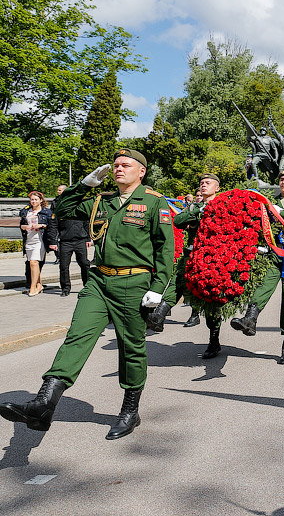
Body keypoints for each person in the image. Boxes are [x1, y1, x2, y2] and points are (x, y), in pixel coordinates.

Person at [0, 149, 174, 439]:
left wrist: (158, 290)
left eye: (125, 165)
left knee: (131, 348)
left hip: (134, 284)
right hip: (98, 281)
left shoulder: (154, 202)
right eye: (116, 165)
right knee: (77, 336)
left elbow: (165, 249)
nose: (118, 169)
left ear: (141, 171)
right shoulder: (100, 202)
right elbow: (62, 211)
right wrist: (84, 185)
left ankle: (130, 410)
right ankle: (44, 404)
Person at [230, 169, 284, 365]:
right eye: (281, 179)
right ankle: (250, 320)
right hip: (273, 256)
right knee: (263, 287)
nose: (283, 182)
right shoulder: (269, 202)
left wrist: (281, 212)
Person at [163, 173, 221, 336]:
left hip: (213, 258)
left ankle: (214, 338)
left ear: (216, 188)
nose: (203, 185)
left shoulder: (222, 205)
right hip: (192, 253)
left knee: (211, 300)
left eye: (207, 183)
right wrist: (195, 211)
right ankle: (159, 314)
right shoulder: (194, 207)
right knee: (178, 281)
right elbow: (178, 221)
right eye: (202, 183)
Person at [47, 184, 92, 298]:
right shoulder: (57, 205)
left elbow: (86, 221)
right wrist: (53, 241)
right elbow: (53, 224)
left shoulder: (78, 202)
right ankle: (65, 288)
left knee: (84, 264)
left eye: (62, 190)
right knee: (63, 266)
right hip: (65, 241)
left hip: (80, 239)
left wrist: (88, 238)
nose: (60, 192)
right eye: (59, 190)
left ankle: (87, 286)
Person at [20, 191, 53, 296]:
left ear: (41, 201)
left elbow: (52, 226)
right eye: (32, 199)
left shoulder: (46, 212)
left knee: (34, 262)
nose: (33, 201)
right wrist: (25, 227)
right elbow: (21, 225)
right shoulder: (25, 212)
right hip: (29, 240)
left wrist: (41, 225)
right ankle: (39, 284)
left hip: (40, 240)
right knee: (33, 264)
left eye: (36, 199)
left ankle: (33, 287)